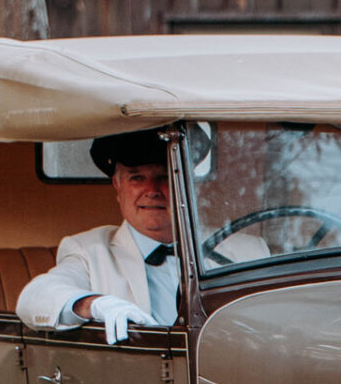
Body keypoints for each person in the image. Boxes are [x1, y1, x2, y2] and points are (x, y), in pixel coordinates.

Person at [17, 130, 229, 341]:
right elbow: (33, 297)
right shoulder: (89, 251)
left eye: (164, 177)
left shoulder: (238, 247)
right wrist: (94, 304)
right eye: (137, 178)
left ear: (185, 186)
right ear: (117, 187)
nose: (152, 190)